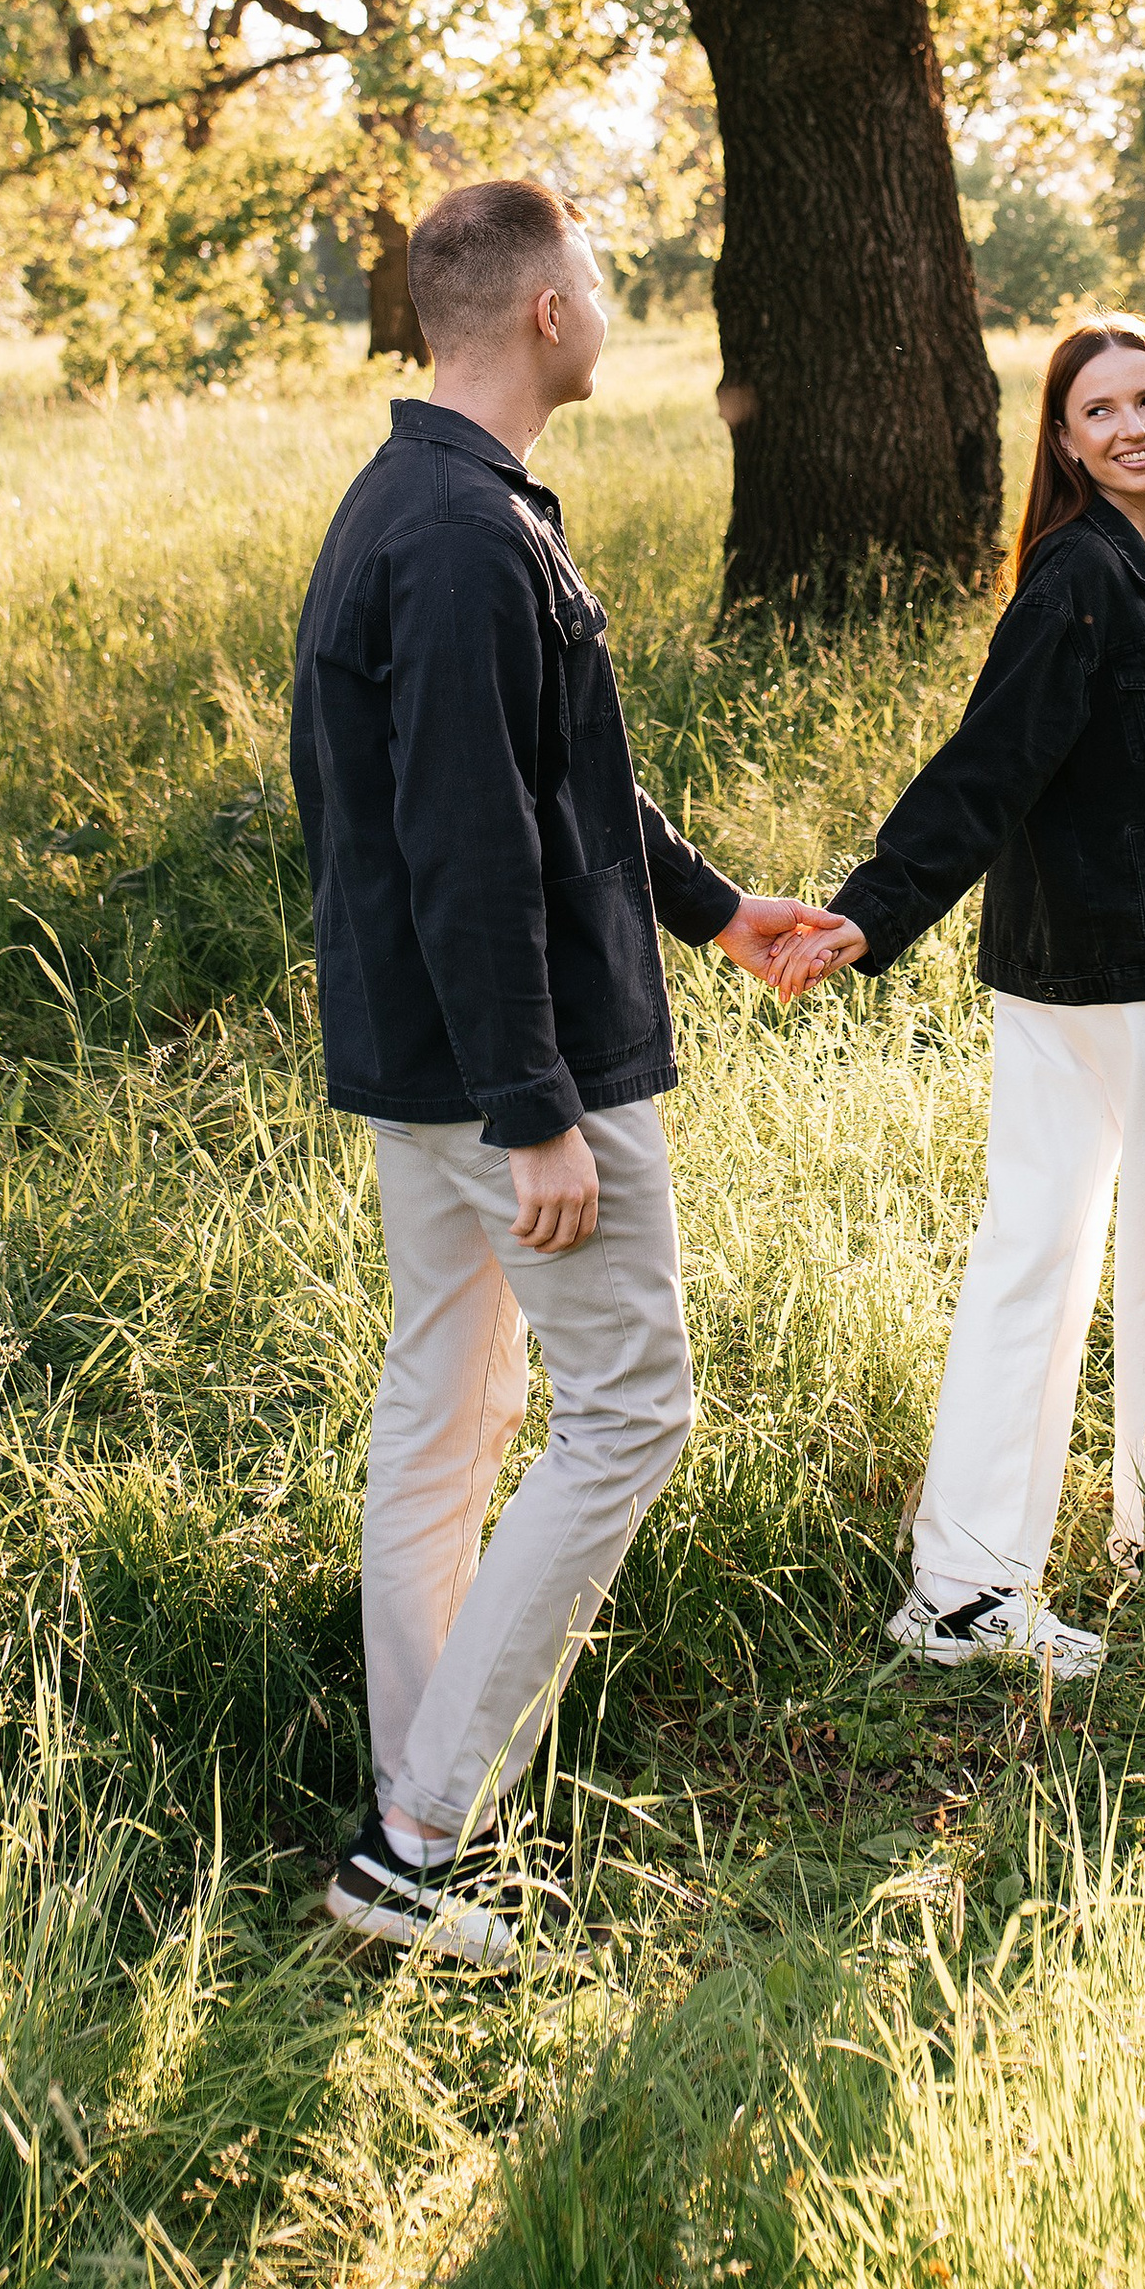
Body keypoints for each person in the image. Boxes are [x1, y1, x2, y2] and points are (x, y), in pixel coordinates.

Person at [290, 178, 844, 1961]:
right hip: (497, 1074)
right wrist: (536, 1110)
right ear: (543, 312)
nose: (608, 309)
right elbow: (466, 844)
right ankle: (421, 1842)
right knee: (632, 1407)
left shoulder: (439, 505)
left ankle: (413, 1785)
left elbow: (556, 789)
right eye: (596, 284)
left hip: (429, 1060)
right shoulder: (458, 536)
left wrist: (711, 908)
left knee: (451, 1404)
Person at [777, 317, 1145, 1680]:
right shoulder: (1082, 582)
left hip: (1070, 973)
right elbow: (985, 767)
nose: (1131, 428)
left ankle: (969, 1587)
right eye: (1099, 410)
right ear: (1061, 439)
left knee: (1036, 1262)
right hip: (1138, 985)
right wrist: (872, 912)